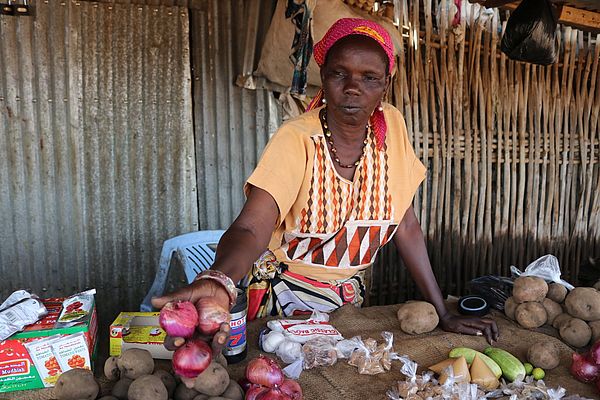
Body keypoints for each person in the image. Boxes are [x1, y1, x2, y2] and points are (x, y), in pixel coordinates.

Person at [152, 18, 499, 351]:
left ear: (385, 85)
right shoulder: (297, 139)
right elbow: (250, 227)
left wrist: (442, 312)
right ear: (324, 76)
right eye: (339, 73)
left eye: (370, 78)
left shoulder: (392, 128)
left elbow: (405, 224)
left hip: (349, 306)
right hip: (281, 305)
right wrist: (220, 281)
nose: (353, 87)